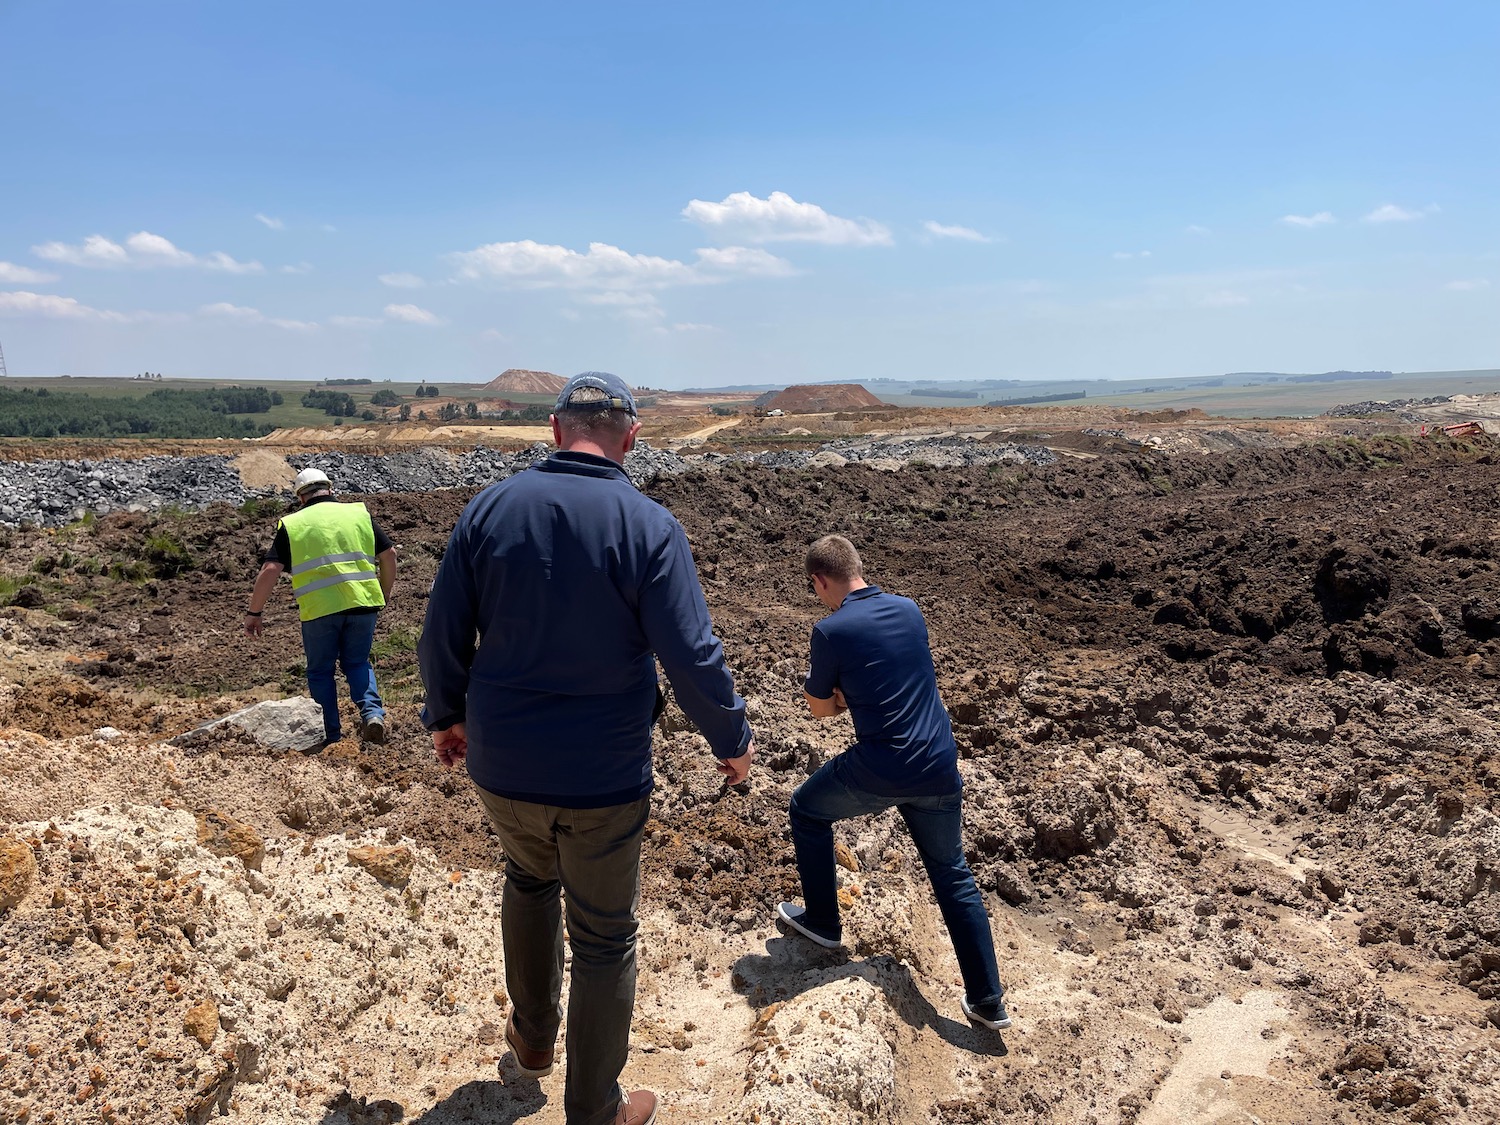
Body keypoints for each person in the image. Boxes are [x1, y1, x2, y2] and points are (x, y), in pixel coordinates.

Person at [417, 371, 755, 1125]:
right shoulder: (649, 526)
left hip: (502, 764)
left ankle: (534, 1041)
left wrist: (445, 714)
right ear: (630, 438)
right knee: (604, 937)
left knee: (527, 878)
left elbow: (441, 630)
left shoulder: (489, 509)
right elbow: (692, 657)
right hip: (603, 774)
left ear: (554, 427)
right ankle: (595, 1107)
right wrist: (731, 738)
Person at [776, 534, 1012, 1032]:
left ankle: (823, 922)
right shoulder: (910, 610)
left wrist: (842, 698)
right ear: (858, 567)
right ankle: (988, 1001)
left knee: (806, 809)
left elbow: (819, 710)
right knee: (951, 873)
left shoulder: (830, 630)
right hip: (939, 761)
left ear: (820, 581)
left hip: (882, 766)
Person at [244, 467, 396, 747]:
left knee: (320, 671)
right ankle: (373, 713)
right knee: (357, 663)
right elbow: (389, 555)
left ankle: (330, 734)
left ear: (300, 497)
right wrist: (382, 594)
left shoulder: (293, 524)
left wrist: (255, 612)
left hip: (319, 611)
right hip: (363, 603)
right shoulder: (358, 513)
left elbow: (270, 569)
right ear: (330, 489)